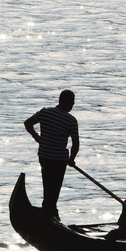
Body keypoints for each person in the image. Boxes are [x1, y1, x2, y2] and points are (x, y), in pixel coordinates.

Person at [23, 89, 80, 221]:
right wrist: (71, 159)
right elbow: (75, 143)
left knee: (48, 186)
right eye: (72, 103)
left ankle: (49, 213)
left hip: (44, 156)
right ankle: (51, 215)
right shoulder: (71, 120)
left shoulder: (45, 112)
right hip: (59, 159)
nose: (72, 106)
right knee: (54, 190)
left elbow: (27, 123)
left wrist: (36, 137)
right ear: (69, 103)